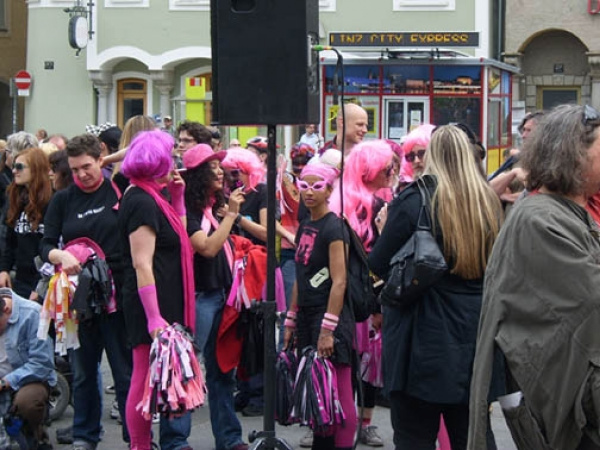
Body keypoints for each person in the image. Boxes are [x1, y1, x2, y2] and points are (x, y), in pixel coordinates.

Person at [468, 104, 600, 450]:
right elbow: (590, 297)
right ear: (573, 155)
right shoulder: (539, 219)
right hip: (569, 403)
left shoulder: (567, 211)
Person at [369, 125, 503, 449]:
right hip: (474, 335)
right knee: (473, 437)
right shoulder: (487, 201)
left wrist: (385, 229)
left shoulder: (416, 200)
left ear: (431, 156)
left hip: (422, 336)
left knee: (415, 437)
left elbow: (375, 266)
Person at [40, 133, 132, 450]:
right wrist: (60, 255)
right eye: (75, 169)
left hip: (117, 296)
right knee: (82, 372)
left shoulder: (119, 187)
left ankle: (136, 437)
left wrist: (108, 161)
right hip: (77, 300)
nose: (81, 174)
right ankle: (84, 435)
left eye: (88, 166)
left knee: (124, 372)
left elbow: (150, 145)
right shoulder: (63, 199)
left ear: (101, 160)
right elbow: (46, 243)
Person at [118, 129, 195, 450]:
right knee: (142, 374)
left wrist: (177, 198)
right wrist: (153, 318)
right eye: (170, 155)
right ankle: (139, 444)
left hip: (164, 301)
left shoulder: (152, 197)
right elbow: (142, 263)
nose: (174, 161)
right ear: (157, 162)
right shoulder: (141, 201)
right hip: (151, 304)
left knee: (153, 375)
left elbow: (178, 237)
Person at [283, 162, 357, 450]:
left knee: (338, 387)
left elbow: (340, 281)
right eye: (304, 186)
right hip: (307, 316)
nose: (309, 192)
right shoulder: (305, 225)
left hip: (330, 317)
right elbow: (300, 276)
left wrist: (328, 329)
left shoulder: (334, 226)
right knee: (319, 389)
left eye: (317, 186)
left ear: (329, 189)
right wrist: (290, 320)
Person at [182, 143, 249, 450]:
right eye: (213, 167)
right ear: (198, 175)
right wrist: (231, 216)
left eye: (220, 166)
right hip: (201, 296)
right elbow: (206, 248)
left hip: (223, 293)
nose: (221, 171)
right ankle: (176, 441)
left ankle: (230, 439)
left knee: (223, 370)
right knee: (188, 369)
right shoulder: (190, 208)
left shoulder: (212, 205)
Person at [330, 140, 395, 448]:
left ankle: (361, 422)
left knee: (363, 362)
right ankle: (340, 422)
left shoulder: (374, 203)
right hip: (354, 298)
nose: (392, 171)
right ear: (370, 171)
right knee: (354, 362)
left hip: (362, 299)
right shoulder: (360, 206)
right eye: (386, 167)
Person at [0, 287, 56, 450]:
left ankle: (35, 436)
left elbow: (41, 365)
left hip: (30, 379)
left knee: (27, 403)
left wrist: (5, 382)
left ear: (6, 310)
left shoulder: (33, 314)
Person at [0, 148, 52, 301]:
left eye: (20, 167)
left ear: (36, 168)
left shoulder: (52, 201)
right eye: (14, 166)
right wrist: (3, 270)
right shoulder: (16, 198)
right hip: (20, 279)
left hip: (44, 279)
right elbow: (9, 241)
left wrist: (41, 286)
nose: (14, 171)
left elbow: (55, 244)